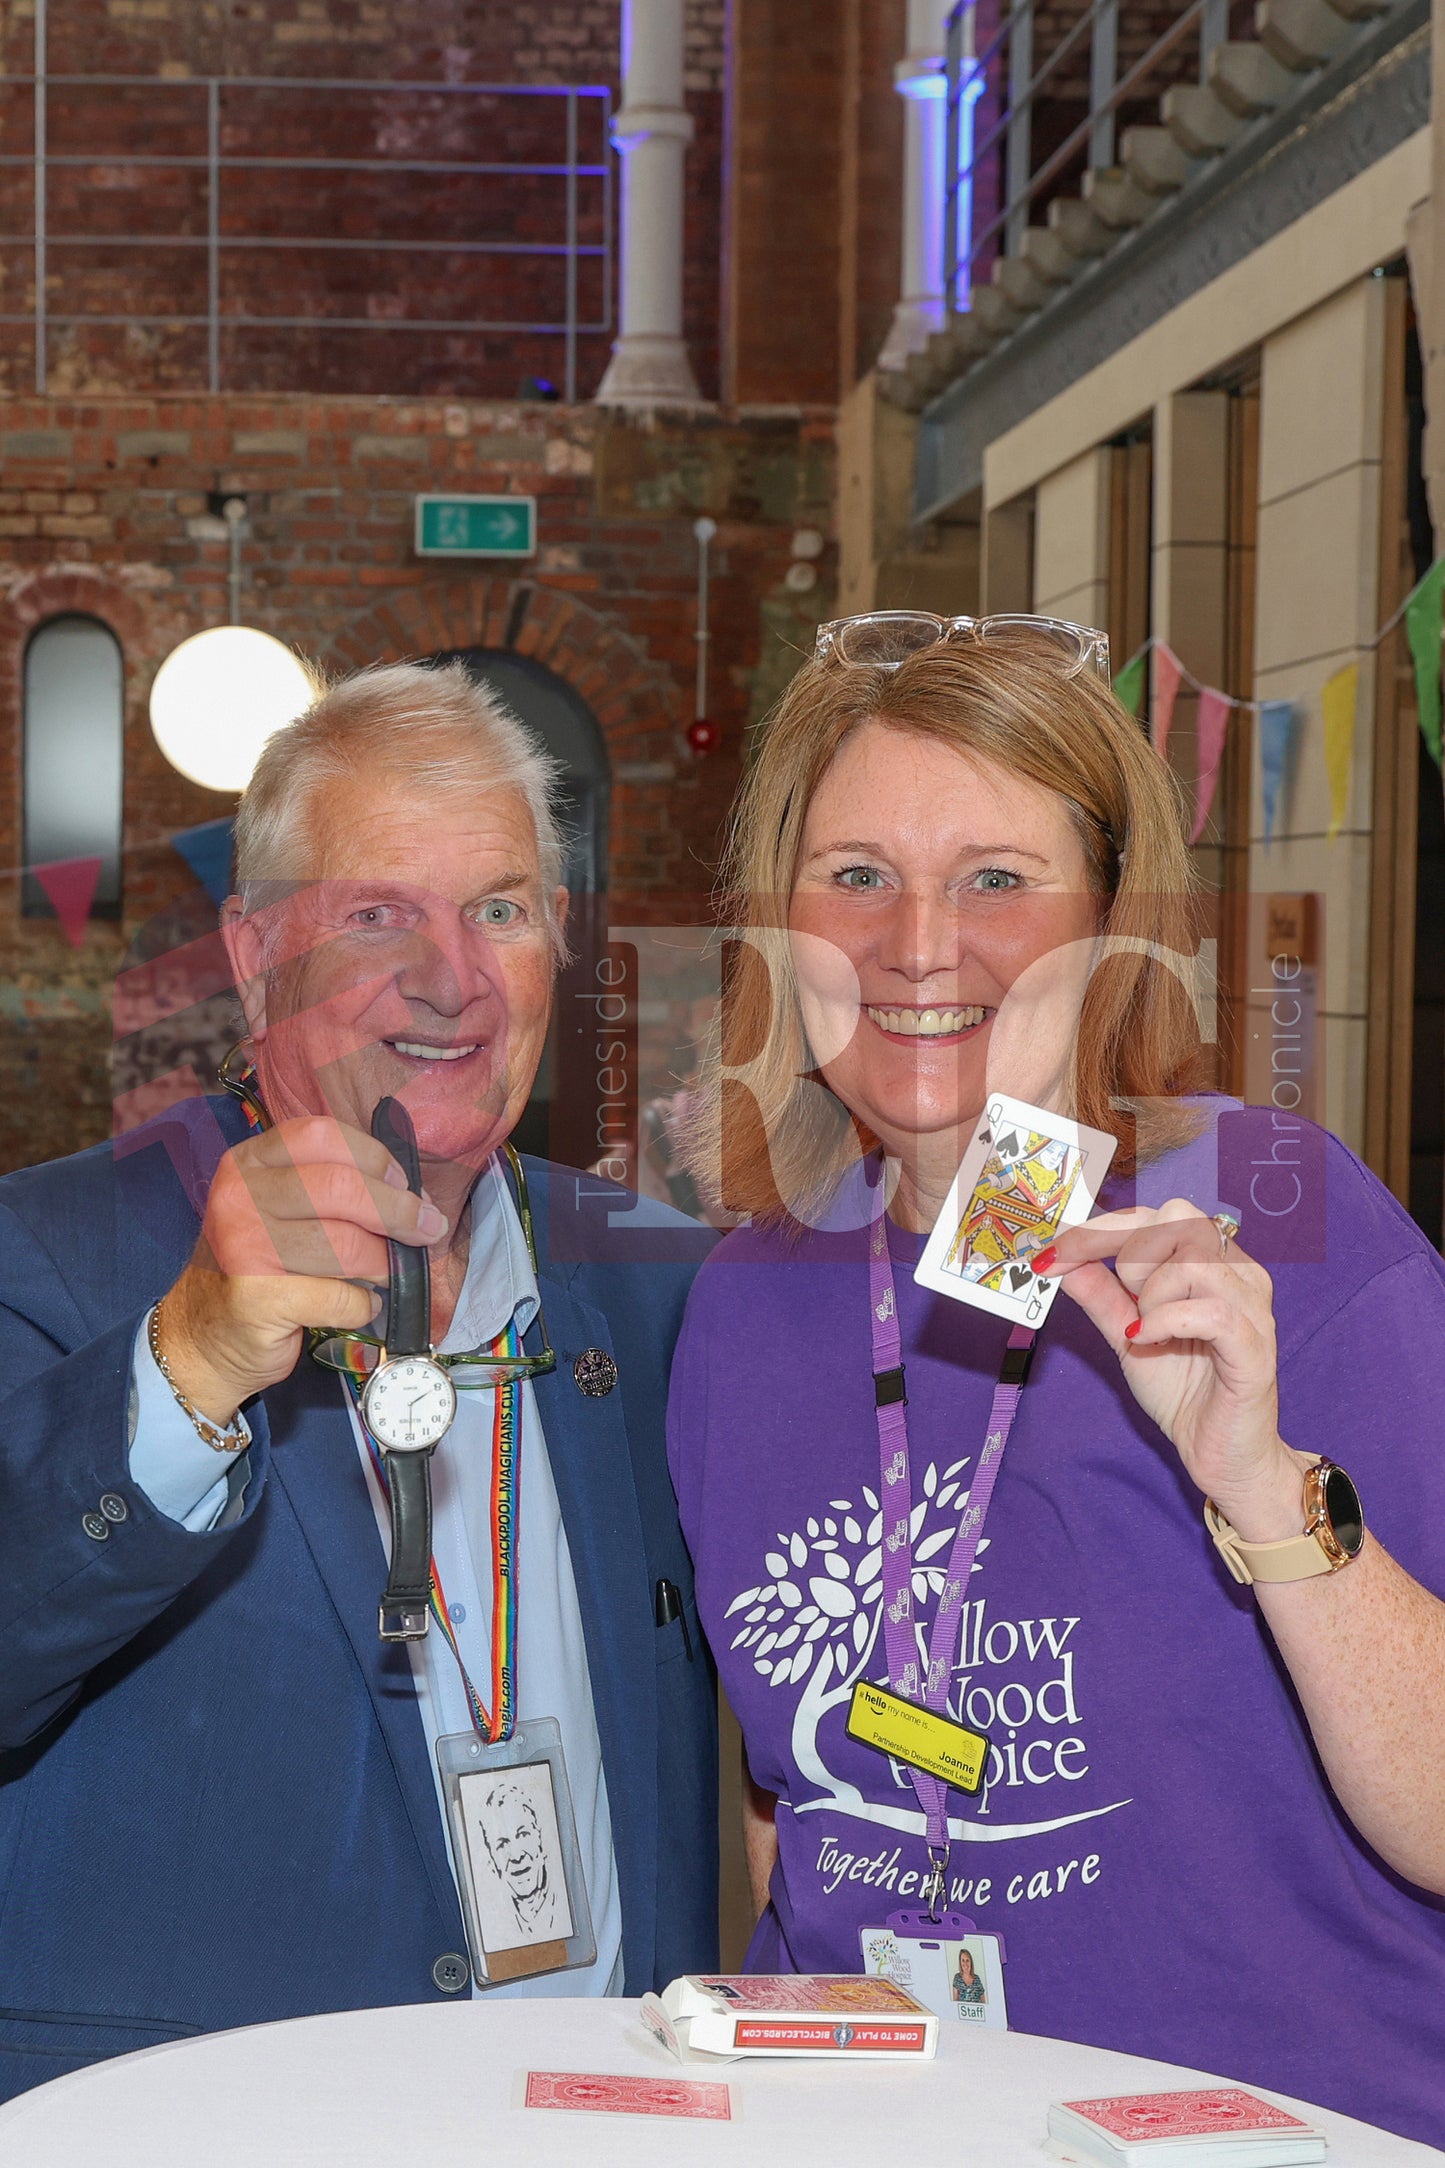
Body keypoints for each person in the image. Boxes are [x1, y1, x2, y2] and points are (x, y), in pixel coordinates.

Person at [666, 612, 1445, 2148]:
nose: (915, 942)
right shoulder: (746, 1303)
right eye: (855, 874)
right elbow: (790, 1801)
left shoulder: (1275, 1217)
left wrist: (1256, 1480)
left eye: (998, 881)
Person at [0, 662, 716, 2102]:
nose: (450, 978)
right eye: (377, 912)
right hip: (205, 2122)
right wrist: (188, 1359)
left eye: (500, 908)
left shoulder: (661, 1284)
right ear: (255, 952)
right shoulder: (49, 1253)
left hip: (601, 2113)